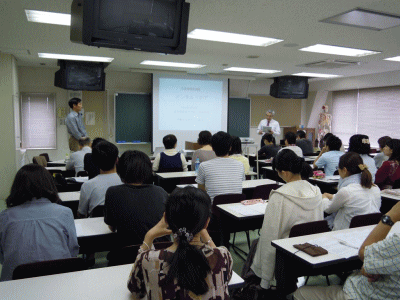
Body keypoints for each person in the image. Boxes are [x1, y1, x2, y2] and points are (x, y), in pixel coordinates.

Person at [127, 187, 233, 299]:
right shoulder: (223, 256)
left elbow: (135, 290)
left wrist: (149, 237)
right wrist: (202, 228)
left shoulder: (147, 259)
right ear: (207, 222)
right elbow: (224, 274)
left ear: (166, 219)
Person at [250, 149, 324, 294]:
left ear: (285, 173)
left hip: (287, 258)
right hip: (313, 250)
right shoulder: (316, 191)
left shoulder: (280, 196)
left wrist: (265, 281)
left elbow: (269, 236)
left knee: (258, 243)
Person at [294, 201, 400, 300]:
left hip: (359, 295)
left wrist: (390, 217)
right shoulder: (375, 189)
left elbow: (364, 253)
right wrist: (373, 264)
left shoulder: (397, 242)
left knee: (300, 293)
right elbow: (372, 262)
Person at [0, 164, 79, 281]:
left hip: (15, 285)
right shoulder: (65, 213)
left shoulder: (5, 216)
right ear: (49, 184)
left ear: (16, 187)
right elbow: (72, 250)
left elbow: (2, 256)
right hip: (60, 281)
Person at [105, 150, 169, 247]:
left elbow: (112, 227)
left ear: (120, 170)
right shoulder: (161, 192)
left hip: (127, 254)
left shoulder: (112, 192)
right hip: (160, 252)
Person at [322, 152, 381, 231]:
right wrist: (333, 196)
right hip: (369, 232)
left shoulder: (347, 191)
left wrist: (324, 198)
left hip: (344, 233)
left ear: (344, 170)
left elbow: (328, 209)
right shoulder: (375, 188)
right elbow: (355, 198)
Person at [196, 131, 245, 202]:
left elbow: (201, 191)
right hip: (235, 208)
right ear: (230, 148)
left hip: (213, 209)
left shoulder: (204, 166)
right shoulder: (240, 165)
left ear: (212, 148)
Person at [78, 141, 122, 218]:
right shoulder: (126, 182)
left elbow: (81, 213)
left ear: (94, 161)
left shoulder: (87, 185)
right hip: (120, 227)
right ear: (117, 160)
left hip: (93, 227)